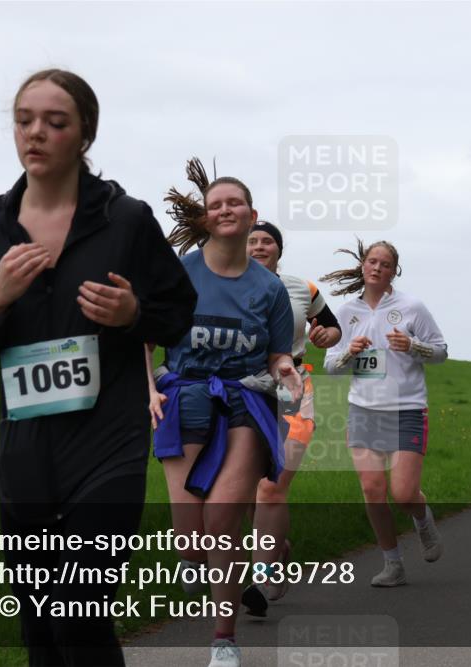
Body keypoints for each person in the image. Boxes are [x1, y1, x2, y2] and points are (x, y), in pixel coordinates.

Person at [0, 69, 197, 665]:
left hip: (108, 447)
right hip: (26, 455)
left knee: (80, 612)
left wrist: (134, 313)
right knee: (40, 627)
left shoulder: (126, 220)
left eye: (55, 122)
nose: (36, 133)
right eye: (24, 120)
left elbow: (177, 314)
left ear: (84, 134)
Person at [146, 159, 302, 667]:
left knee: (222, 521)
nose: (225, 210)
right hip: (184, 397)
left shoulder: (269, 288)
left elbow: (278, 351)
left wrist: (286, 371)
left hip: (245, 400)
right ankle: (206, 578)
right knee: (191, 541)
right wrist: (148, 391)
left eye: (234, 202)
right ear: (206, 217)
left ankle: (224, 639)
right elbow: (143, 341)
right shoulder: (179, 273)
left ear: (252, 214)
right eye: (217, 205)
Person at [321, 239, 448, 586]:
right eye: (372, 261)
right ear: (363, 266)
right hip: (363, 409)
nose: (377, 268)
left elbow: (440, 352)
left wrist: (413, 345)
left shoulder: (412, 307)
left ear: (394, 271)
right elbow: (331, 366)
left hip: (407, 409)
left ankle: (422, 520)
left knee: (404, 494)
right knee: (372, 489)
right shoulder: (347, 313)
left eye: (385, 264)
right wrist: (349, 351)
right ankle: (393, 563)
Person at [245, 221, 342, 605]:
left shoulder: (303, 287)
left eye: (267, 241)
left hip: (293, 388)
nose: (258, 246)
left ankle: (261, 580)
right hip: (244, 390)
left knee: (272, 486)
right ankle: (277, 548)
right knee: (247, 490)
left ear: (279, 250)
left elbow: (331, 327)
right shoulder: (225, 284)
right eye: (251, 240)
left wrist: (326, 336)